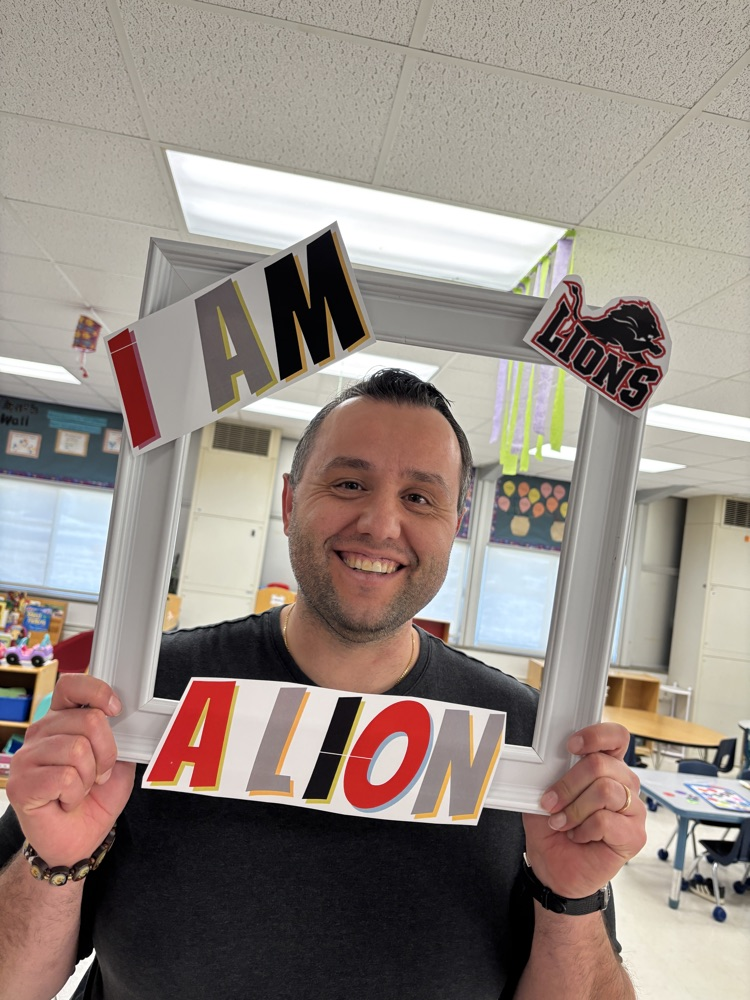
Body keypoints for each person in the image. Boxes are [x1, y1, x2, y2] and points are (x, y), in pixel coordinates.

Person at [0, 369, 646, 1000]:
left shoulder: (524, 738)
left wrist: (569, 900)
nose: (381, 525)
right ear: (289, 503)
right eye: (348, 483)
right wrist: (53, 864)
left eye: (420, 498)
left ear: (456, 525)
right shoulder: (145, 695)